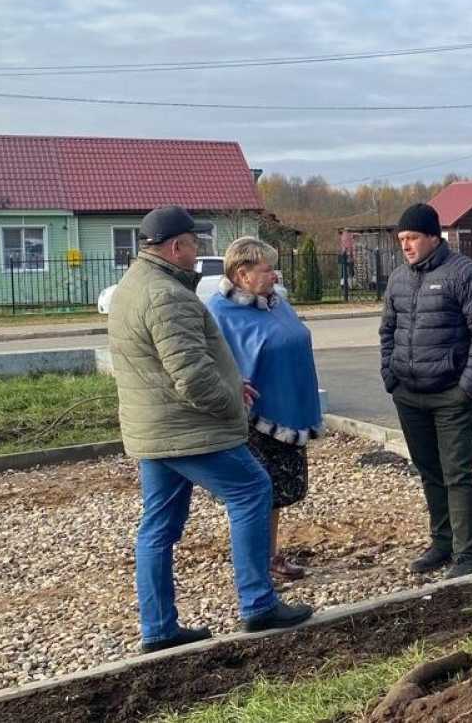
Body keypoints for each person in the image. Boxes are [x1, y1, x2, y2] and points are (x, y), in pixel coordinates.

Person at [108, 205, 313, 653]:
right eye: (194, 244)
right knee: (253, 490)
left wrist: (228, 379)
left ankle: (158, 628)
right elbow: (191, 375)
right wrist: (231, 404)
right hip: (186, 429)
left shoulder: (132, 287)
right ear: (176, 246)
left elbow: (169, 364)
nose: (198, 252)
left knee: (158, 526)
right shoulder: (167, 295)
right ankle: (258, 604)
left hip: (153, 429)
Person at [379, 203, 472, 579]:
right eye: (402, 239)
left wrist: (466, 389)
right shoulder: (399, 279)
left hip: (450, 395)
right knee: (429, 471)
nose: (406, 245)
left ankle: (466, 555)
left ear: (435, 236)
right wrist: (391, 376)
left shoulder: (465, 275)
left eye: (413, 237)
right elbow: (388, 330)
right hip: (409, 396)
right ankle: (442, 542)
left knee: (457, 474)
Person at [206, 236, 323, 582]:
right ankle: (253, 568)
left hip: (288, 410)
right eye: (268, 269)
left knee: (276, 492)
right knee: (255, 493)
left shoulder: (275, 303)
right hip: (251, 420)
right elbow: (212, 363)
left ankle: (269, 556)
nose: (276, 275)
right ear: (242, 275)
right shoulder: (219, 312)